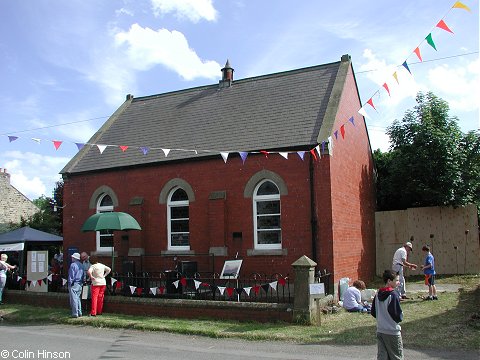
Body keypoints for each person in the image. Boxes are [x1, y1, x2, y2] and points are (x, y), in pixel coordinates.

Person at [371, 269, 404, 360]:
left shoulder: (377, 295)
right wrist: (401, 315)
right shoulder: (393, 295)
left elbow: (373, 312)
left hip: (381, 330)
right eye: (396, 280)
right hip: (392, 331)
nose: (398, 282)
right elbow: (397, 315)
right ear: (389, 281)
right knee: (396, 356)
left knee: (382, 357)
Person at [68, 252, 84, 318]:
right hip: (80, 283)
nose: (71, 258)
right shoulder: (81, 265)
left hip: (74, 283)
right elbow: (83, 275)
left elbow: (71, 275)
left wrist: (70, 283)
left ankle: (75, 313)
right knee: (78, 298)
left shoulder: (73, 265)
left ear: (75, 258)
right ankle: (80, 312)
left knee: (73, 299)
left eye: (72, 257)